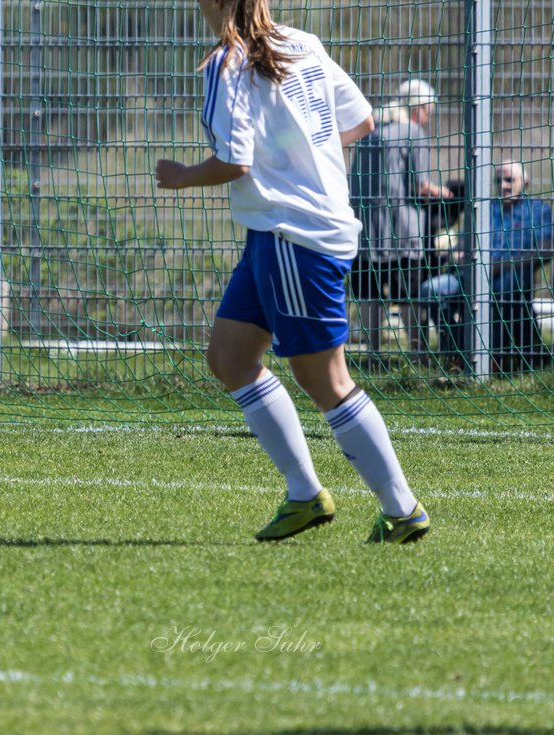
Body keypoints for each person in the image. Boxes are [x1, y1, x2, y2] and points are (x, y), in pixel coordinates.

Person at [154, 0, 429, 543]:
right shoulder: (303, 42)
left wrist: (181, 176)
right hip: (276, 234)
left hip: (292, 236)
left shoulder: (225, 63)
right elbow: (361, 121)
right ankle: (305, 495)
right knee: (231, 358)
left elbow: (235, 162)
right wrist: (301, 159)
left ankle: (403, 510)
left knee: (324, 378)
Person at [347, 80, 454, 362]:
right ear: (418, 108)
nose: (429, 117)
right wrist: (446, 193)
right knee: (408, 291)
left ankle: (373, 354)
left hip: (364, 231)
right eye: (429, 110)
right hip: (402, 231)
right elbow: (420, 187)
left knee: (369, 291)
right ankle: (418, 354)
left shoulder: (370, 131)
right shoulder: (413, 132)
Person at [420, 160, 554, 371]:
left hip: (515, 273)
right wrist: (458, 255)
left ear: (525, 182)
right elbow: (462, 245)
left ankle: (494, 356)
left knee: (503, 288)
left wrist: (504, 265)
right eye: (498, 180)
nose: (503, 185)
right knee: (431, 290)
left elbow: (545, 250)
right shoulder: (483, 207)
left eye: (510, 180)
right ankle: (457, 350)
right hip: (474, 272)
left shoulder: (538, 210)